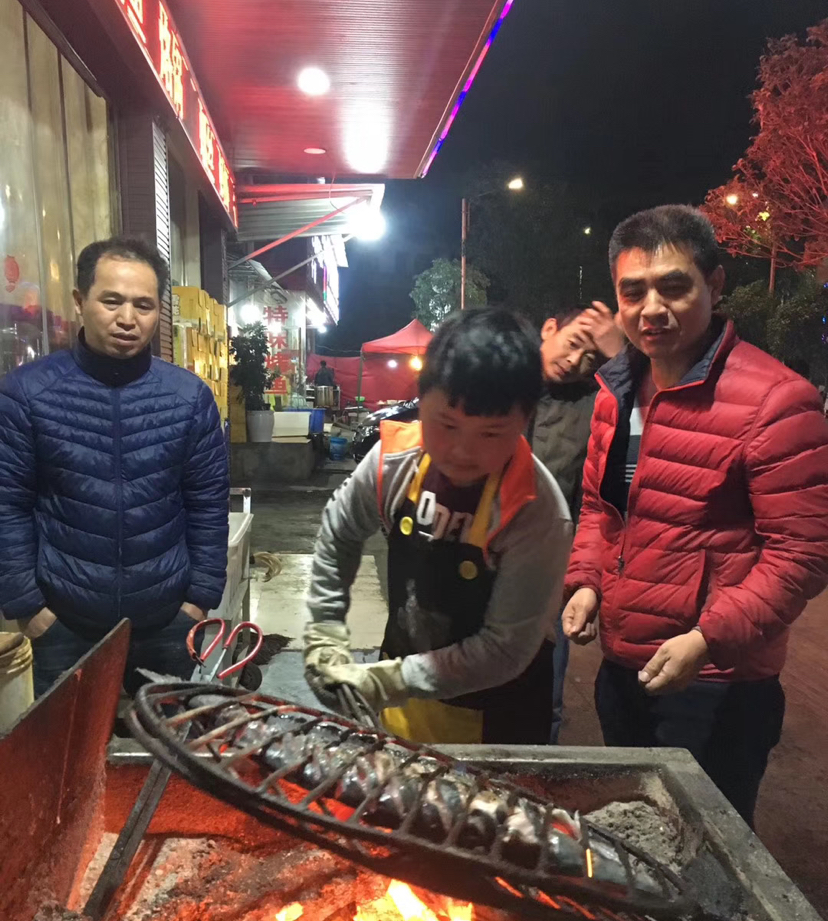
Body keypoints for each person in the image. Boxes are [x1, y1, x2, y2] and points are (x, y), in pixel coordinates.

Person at [562, 205, 828, 825]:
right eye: (633, 292)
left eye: (673, 286)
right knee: (633, 832)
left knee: (706, 848)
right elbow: (602, 509)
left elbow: (803, 553)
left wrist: (707, 639)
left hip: (717, 681)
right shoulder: (616, 391)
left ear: (715, 283)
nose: (651, 309)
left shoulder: (777, 400)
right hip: (624, 666)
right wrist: (586, 581)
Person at [303, 308, 573, 745]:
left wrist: (385, 680)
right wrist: (326, 631)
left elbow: (503, 650)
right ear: (420, 401)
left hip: (498, 723)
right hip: (399, 702)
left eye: (490, 434)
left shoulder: (536, 512)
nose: (462, 451)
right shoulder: (394, 460)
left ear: (525, 422)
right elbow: (340, 531)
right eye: (446, 424)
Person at [0, 237, 230, 698]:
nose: (128, 318)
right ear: (80, 301)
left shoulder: (188, 398)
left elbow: (208, 504)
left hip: (167, 622)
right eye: (112, 301)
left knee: (167, 740)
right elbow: (8, 505)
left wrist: (198, 600)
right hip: (64, 626)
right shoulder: (26, 394)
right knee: (70, 744)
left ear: (158, 311)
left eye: (144, 305)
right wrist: (29, 609)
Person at [528, 302, 625, 742]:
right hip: (478, 557)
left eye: (591, 357)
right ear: (549, 327)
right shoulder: (501, 382)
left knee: (543, 691)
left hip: (550, 569)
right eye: (573, 344)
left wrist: (620, 356)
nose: (575, 361)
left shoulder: (596, 405)